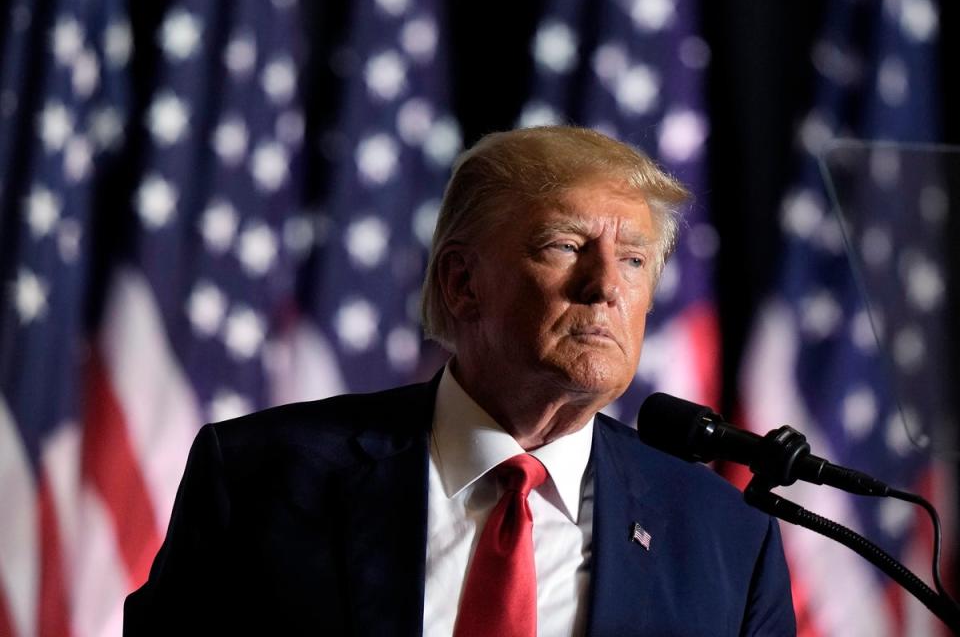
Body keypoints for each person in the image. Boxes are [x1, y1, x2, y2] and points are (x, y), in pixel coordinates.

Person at [124, 126, 796, 636]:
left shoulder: (723, 535)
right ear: (462, 282)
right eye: (564, 246)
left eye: (633, 260)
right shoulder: (260, 477)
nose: (604, 287)